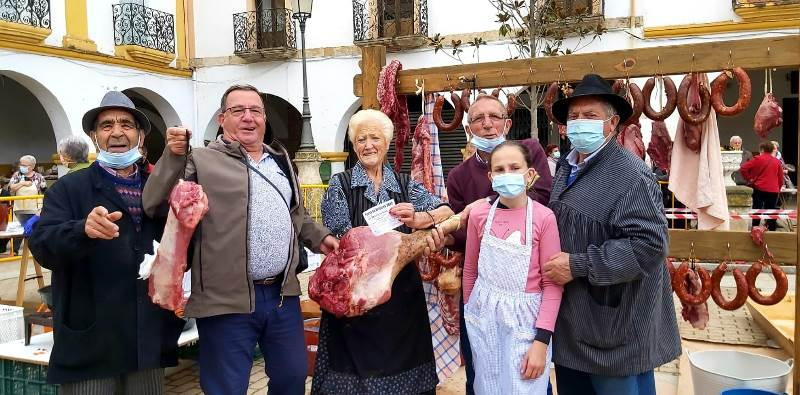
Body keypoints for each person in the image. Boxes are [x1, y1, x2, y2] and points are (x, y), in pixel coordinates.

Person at [143, 84, 338, 395]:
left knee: (292, 376)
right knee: (227, 388)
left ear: (264, 118)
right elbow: (154, 203)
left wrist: (320, 238)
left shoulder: (280, 160)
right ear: (223, 119)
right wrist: (172, 156)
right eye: (238, 110)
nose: (249, 117)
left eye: (256, 110)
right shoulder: (200, 160)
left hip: (281, 295)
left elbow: (295, 213)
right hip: (224, 300)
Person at [29, 91, 184, 393]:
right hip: (92, 339)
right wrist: (81, 230)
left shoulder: (160, 188)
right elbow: (43, 245)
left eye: (126, 124)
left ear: (140, 136)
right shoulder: (69, 188)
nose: (116, 132)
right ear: (94, 137)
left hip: (146, 337)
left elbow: (181, 248)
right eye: (106, 125)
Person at [544, 74, 680, 395]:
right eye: (574, 116)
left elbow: (649, 246)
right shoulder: (566, 166)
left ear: (612, 123)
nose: (580, 122)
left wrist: (577, 265)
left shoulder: (631, 176)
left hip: (616, 327)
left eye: (590, 115)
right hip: (575, 321)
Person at [312, 109, 452, 394]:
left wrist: (421, 218)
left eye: (375, 138)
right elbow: (342, 238)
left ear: (386, 143)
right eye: (361, 139)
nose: (368, 145)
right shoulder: (340, 185)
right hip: (357, 294)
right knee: (355, 377)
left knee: (405, 373)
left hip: (402, 295)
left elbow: (446, 211)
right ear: (354, 146)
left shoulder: (404, 184)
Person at [446, 93, 553, 395]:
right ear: (468, 129)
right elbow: (462, 238)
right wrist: (471, 309)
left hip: (527, 300)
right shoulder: (458, 177)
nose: (487, 124)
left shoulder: (529, 151)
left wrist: (482, 207)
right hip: (483, 297)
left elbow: (542, 197)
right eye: (478, 119)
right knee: (482, 378)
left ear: (507, 123)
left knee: (528, 379)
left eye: (494, 116)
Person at [462, 141, 562, 394]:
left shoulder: (543, 218)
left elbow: (552, 284)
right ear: (491, 177)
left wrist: (542, 341)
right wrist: (471, 311)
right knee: (488, 386)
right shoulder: (479, 215)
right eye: (499, 169)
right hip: (484, 319)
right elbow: (471, 270)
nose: (507, 174)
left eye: (515, 167)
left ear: (530, 174)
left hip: (526, 322)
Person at [740, 141, 785, 231]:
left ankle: (755, 228)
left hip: (759, 188)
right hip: (773, 190)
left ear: (762, 149)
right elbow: (780, 178)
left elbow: (743, 168)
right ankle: (772, 230)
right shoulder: (777, 161)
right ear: (772, 150)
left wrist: (749, 179)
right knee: (772, 211)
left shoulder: (757, 159)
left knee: (757, 210)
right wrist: (778, 188)